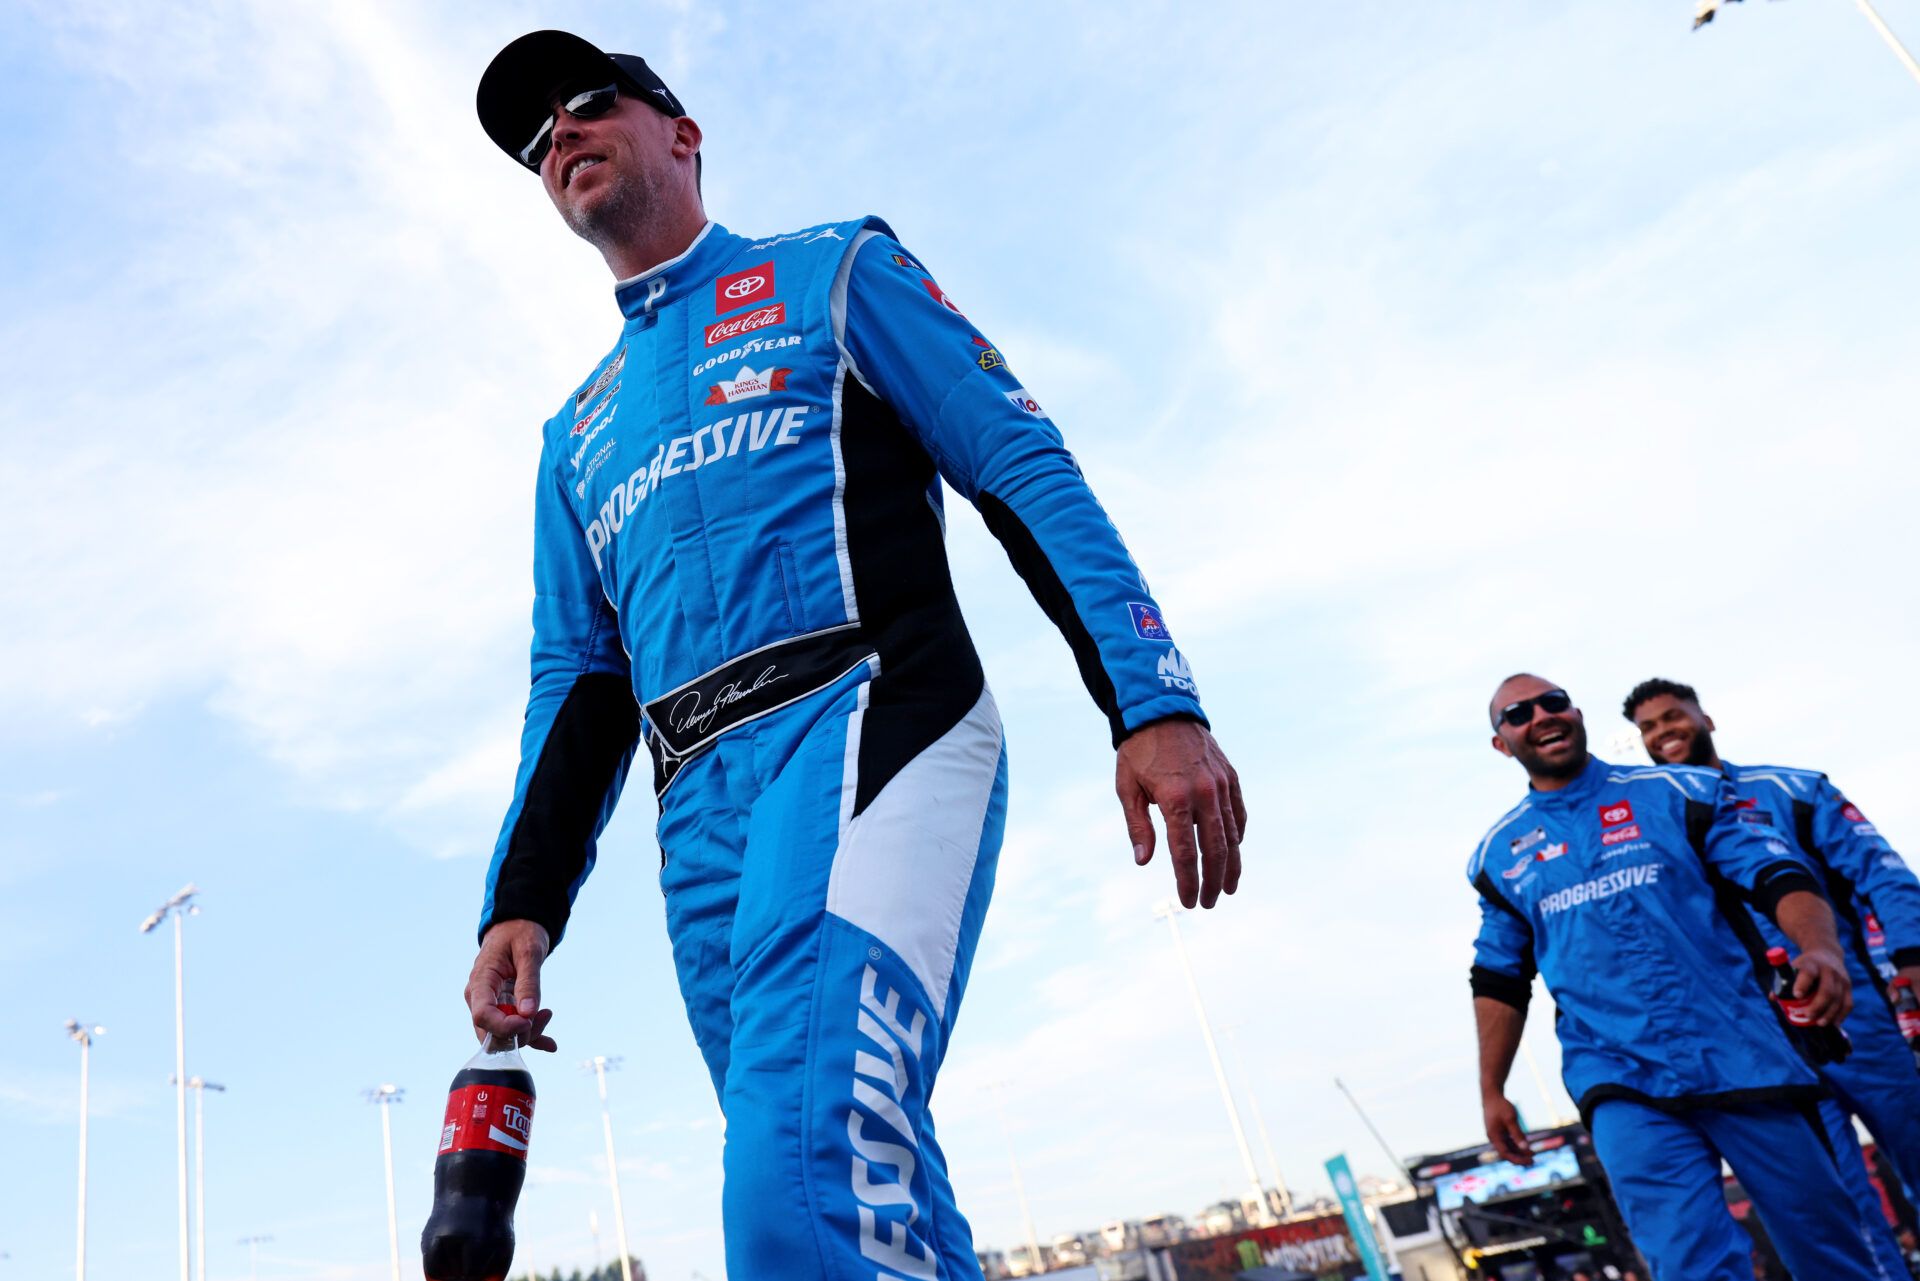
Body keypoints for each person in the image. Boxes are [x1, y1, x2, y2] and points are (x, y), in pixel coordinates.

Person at [458, 29, 1248, 1280]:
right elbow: (579, 685)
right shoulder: (573, 436)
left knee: (801, 1170)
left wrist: (1149, 700)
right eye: (532, 137)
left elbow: (1019, 463)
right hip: (700, 817)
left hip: (874, 716)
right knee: (859, 1177)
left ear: (683, 132)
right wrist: (523, 900)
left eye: (590, 102)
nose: (559, 135)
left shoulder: (838, 270)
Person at [1467, 673, 1886, 1280]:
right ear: (1502, 744)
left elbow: (1779, 874)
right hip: (1620, 1080)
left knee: (1830, 1252)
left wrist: (1820, 949)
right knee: (1690, 1266)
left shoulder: (1681, 793)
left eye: (1553, 703)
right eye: (1518, 714)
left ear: (1576, 713)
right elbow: (1498, 977)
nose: (1540, 716)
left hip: (1744, 1056)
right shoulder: (1498, 855)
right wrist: (1492, 1089)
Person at [1625, 679, 1920, 1240]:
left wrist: (1911, 958)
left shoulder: (1793, 789)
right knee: (1837, 1211)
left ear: (1706, 719)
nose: (1663, 733)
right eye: (1648, 728)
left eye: (1672, 717)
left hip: (1854, 1010)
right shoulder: (1654, 823)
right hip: (1761, 1041)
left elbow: (1884, 874)